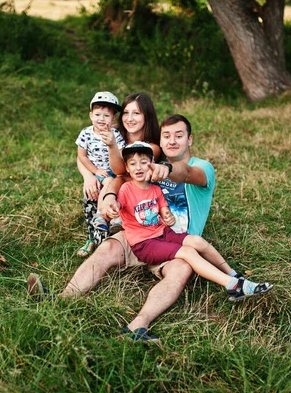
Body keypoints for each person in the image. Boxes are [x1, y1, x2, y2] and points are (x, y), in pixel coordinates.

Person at [28, 114, 273, 342]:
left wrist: (166, 169)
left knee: (181, 269)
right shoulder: (148, 164)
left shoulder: (201, 167)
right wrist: (110, 197)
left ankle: (138, 325)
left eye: (179, 135)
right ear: (160, 140)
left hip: (174, 239)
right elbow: (120, 179)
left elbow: (185, 173)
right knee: (107, 248)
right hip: (139, 235)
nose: (172, 140)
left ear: (190, 139)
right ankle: (59, 299)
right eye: (166, 136)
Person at [114, 141, 272, 300]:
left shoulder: (155, 189)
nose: (138, 167)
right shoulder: (126, 189)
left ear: (152, 164)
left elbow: (165, 212)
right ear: (127, 168)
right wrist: (111, 207)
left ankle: (234, 275)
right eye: (133, 164)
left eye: (143, 162)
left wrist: (169, 217)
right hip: (144, 243)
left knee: (196, 241)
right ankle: (233, 286)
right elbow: (118, 204)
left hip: (163, 232)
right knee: (188, 251)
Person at [76, 93, 163, 253]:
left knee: (115, 179)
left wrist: (112, 146)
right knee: (94, 188)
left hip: (132, 197)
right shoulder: (111, 130)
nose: (130, 118)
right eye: (126, 113)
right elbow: (82, 154)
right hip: (105, 183)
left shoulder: (151, 147)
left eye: (136, 113)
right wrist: (88, 176)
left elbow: (120, 171)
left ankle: (111, 232)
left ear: (147, 116)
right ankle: (94, 236)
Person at [75, 91, 125, 258]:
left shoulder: (116, 135)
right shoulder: (86, 133)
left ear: (113, 118)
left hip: (113, 173)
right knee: (90, 197)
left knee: (111, 182)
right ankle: (90, 239)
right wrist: (94, 172)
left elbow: (122, 155)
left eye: (106, 115)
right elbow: (81, 156)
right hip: (96, 173)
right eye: (97, 114)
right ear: (90, 115)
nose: (101, 119)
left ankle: (105, 227)